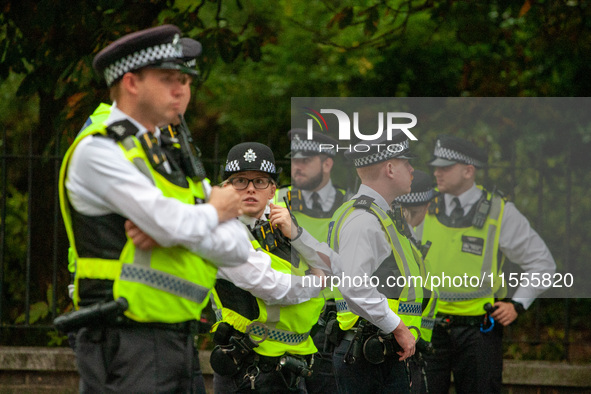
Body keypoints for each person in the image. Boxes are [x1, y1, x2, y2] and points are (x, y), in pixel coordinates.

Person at [58, 25, 251, 393]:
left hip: (178, 338)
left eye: (185, 80)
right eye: (168, 79)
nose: (181, 90)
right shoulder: (100, 151)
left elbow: (239, 246)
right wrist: (211, 212)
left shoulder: (168, 152)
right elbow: (177, 224)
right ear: (131, 83)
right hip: (124, 340)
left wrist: (179, 229)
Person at [420, 135, 557, 393]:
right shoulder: (423, 203)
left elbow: (542, 262)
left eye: (445, 167)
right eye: (435, 166)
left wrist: (518, 303)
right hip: (428, 327)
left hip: (479, 331)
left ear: (468, 171)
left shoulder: (499, 211)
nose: (436, 172)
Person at [210, 142, 335, 393]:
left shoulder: (281, 225)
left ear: (272, 191)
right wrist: (317, 281)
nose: (250, 189)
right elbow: (271, 286)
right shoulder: (221, 230)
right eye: (240, 181)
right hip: (247, 372)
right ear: (226, 189)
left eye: (260, 181)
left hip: (292, 368)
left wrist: (298, 234)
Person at [327, 131, 423, 394]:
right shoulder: (365, 220)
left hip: (378, 349)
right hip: (368, 355)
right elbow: (354, 286)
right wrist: (399, 327)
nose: (412, 169)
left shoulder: (379, 214)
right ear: (390, 169)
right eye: (406, 163)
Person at [275, 128, 346, 393]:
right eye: (295, 160)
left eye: (306, 160)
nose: (297, 166)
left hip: (329, 324)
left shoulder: (348, 206)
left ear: (327, 163)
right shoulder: (276, 200)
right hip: (285, 317)